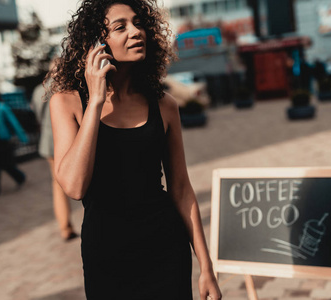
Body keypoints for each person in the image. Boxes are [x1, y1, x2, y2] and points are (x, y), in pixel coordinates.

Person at [46, 0, 222, 299]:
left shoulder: (164, 105)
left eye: (139, 23)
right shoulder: (67, 102)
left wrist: (206, 268)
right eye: (120, 26)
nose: (136, 31)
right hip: (107, 258)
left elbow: (181, 188)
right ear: (96, 43)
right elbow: (74, 186)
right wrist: (96, 101)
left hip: (166, 250)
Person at [31, 68, 77, 241]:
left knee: (57, 184)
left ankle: (65, 226)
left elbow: (36, 114)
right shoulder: (69, 86)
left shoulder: (39, 89)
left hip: (48, 139)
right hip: (68, 136)